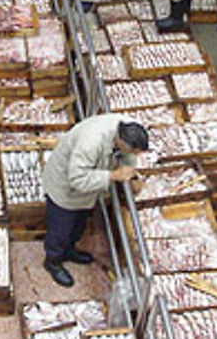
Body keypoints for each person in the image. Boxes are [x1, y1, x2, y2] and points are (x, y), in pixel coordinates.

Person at [41, 115, 146, 286]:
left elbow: (128, 157)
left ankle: (69, 250)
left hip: (85, 193)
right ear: (122, 142)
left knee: (78, 225)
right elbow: (77, 179)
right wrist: (114, 175)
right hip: (65, 189)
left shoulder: (130, 127)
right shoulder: (91, 142)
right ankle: (53, 262)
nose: (133, 154)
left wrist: (132, 173)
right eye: (132, 151)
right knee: (60, 230)